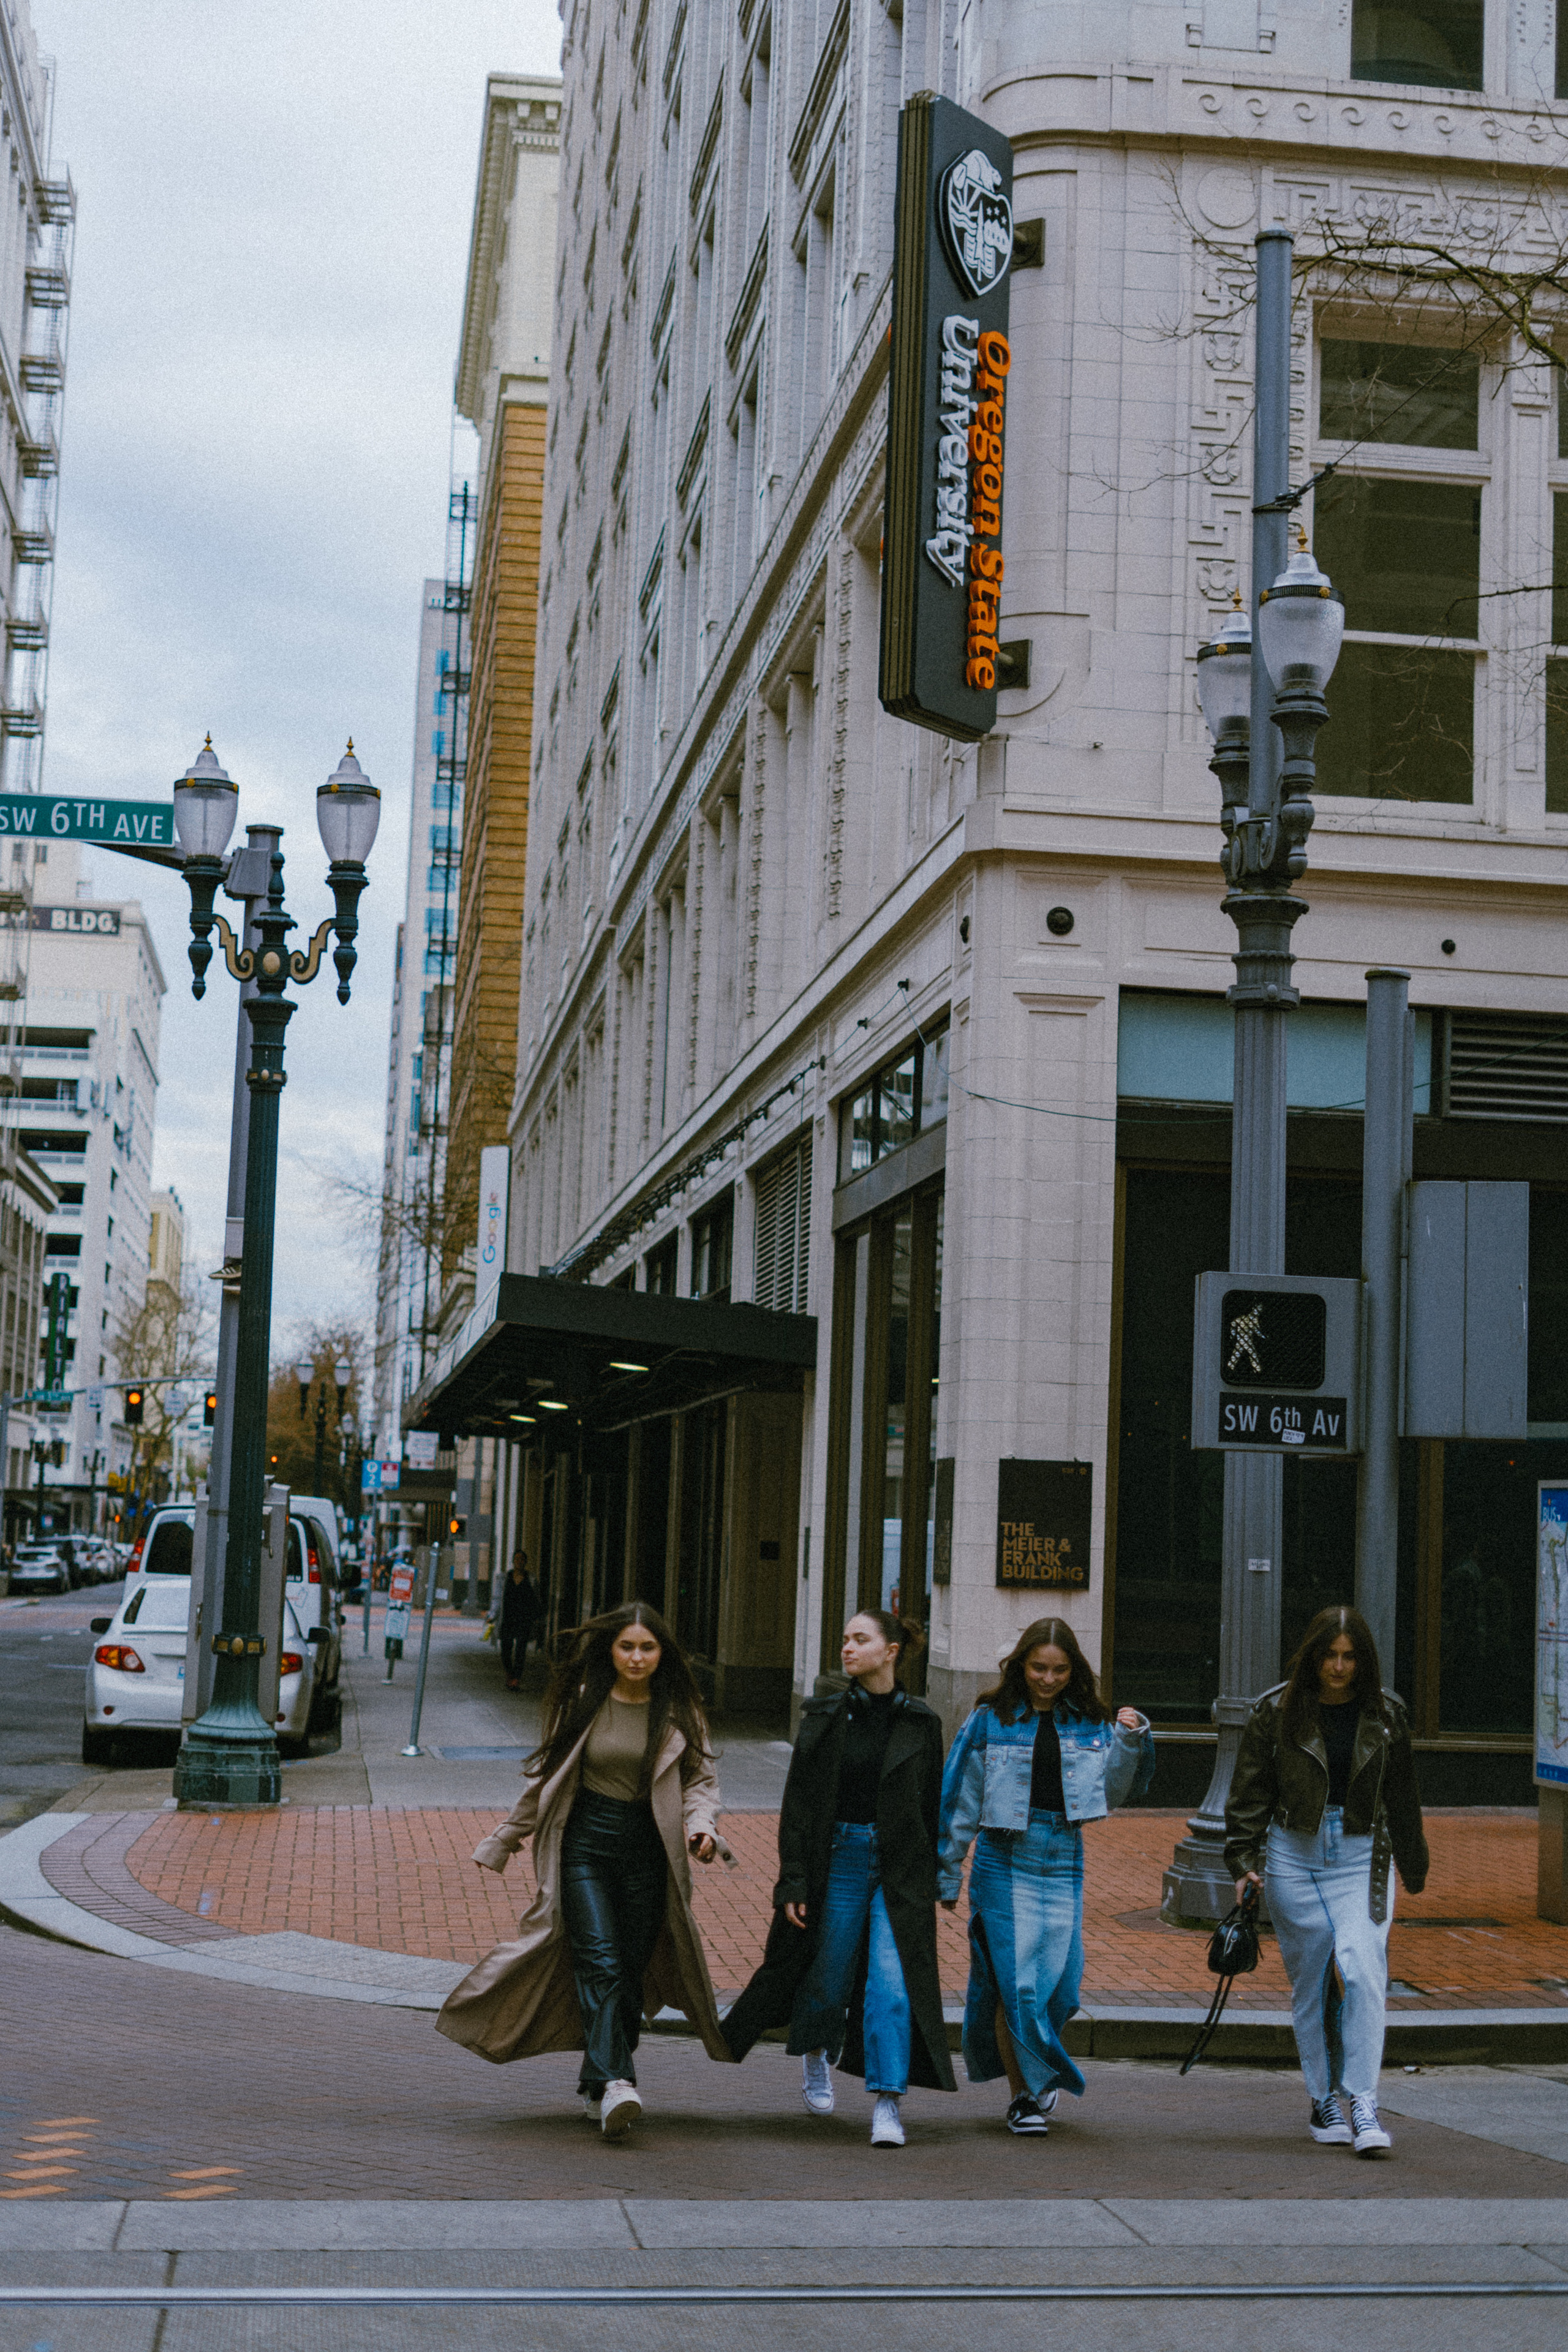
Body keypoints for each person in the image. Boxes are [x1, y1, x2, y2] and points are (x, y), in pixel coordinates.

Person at [435, 1601, 735, 2135]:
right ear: (611, 1650)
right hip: (585, 1845)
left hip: (650, 1850)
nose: (637, 1657)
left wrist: (702, 1828)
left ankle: (597, 2080)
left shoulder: (680, 1710)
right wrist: (506, 1837)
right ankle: (619, 2078)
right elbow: (547, 1777)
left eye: (647, 1647)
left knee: (629, 1967)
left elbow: (701, 1783)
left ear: (662, 1653)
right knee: (597, 1957)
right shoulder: (583, 1701)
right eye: (627, 1647)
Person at [722, 1609, 955, 2147]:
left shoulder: (922, 1722)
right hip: (841, 1859)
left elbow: (930, 1807)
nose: (847, 1648)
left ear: (891, 1650)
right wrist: (794, 1881)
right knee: (827, 1977)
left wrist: (932, 1879)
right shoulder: (824, 1717)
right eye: (845, 1638)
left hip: (898, 1870)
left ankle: (888, 2102)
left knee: (892, 1989)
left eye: (860, 1639)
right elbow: (798, 1807)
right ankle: (816, 2054)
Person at [1225, 1604, 1428, 2160]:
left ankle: (1363, 2099)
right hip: (1293, 1853)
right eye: (1330, 1656)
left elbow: (1403, 1794)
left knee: (1363, 1970)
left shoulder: (1387, 1714)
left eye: (1350, 1657)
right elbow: (1248, 1794)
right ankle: (1323, 2100)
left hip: (1364, 1852)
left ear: (1363, 1661)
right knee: (1312, 1980)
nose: (1339, 1668)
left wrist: (1414, 1862)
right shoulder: (1276, 1711)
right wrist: (1244, 1860)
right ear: (1313, 1657)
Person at [937, 1616, 1153, 2135]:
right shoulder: (991, 1719)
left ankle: (1035, 2067)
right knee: (1019, 1986)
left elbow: (1118, 1793)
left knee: (1061, 1989)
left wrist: (1132, 1739)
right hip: (1002, 1860)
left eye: (1059, 1670)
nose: (1048, 1679)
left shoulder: (1089, 1721)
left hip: (1063, 1860)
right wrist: (947, 1873)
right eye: (1038, 1668)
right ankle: (1024, 2096)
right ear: (1021, 1667)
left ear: (1073, 1670)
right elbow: (958, 1799)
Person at [495, 1549, 540, 1687]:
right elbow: (497, 1598)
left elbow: (536, 1599)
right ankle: (509, 1673)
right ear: (513, 1561)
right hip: (508, 1618)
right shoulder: (504, 1578)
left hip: (523, 1620)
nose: (519, 1562)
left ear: (525, 1562)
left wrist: (536, 1618)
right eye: (517, 1559)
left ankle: (516, 1678)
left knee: (521, 1649)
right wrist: (493, 1615)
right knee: (506, 1649)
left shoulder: (531, 1579)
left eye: (522, 1559)